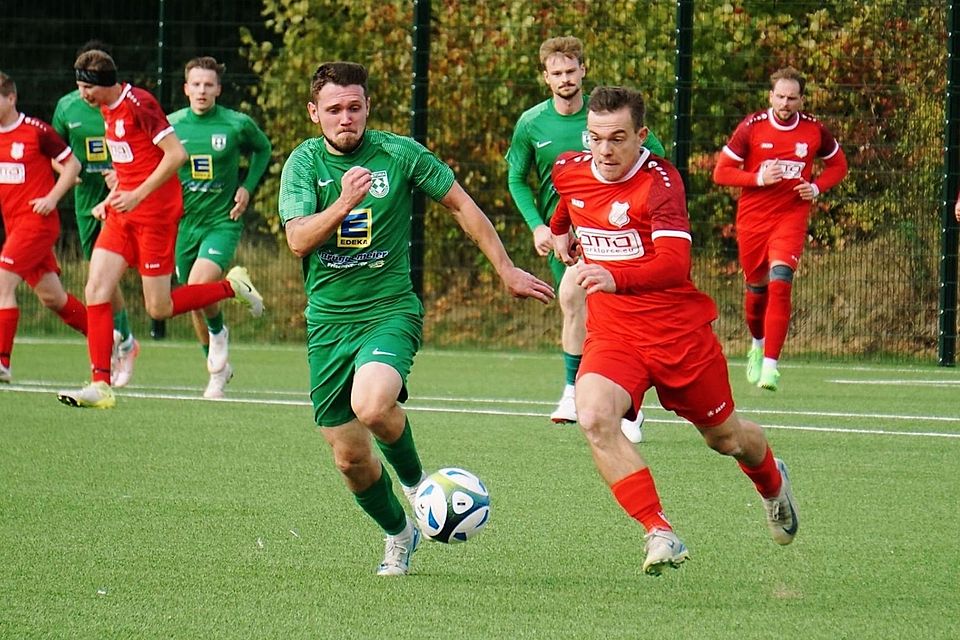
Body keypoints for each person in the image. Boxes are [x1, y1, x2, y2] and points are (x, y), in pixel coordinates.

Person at [278, 61, 554, 576]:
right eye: (334, 109)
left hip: (389, 311)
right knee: (350, 461)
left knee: (374, 403)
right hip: (327, 325)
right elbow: (297, 240)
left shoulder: (399, 154)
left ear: (368, 108)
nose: (346, 118)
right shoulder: (302, 164)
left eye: (354, 107)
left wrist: (507, 268)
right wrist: (343, 203)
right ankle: (399, 535)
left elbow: (461, 206)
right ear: (315, 112)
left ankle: (421, 490)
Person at [550, 85, 798, 576]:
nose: (605, 149)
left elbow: (674, 263)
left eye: (618, 138)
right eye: (596, 138)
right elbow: (569, 202)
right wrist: (560, 232)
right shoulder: (568, 168)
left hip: (677, 336)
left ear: (641, 136)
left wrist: (613, 276)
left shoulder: (660, 183)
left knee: (725, 438)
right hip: (615, 335)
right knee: (594, 416)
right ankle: (658, 530)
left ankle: (772, 482)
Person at [57, 49, 264, 409]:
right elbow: (130, 161)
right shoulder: (104, 109)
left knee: (159, 308)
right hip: (124, 213)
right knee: (96, 288)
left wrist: (137, 194)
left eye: (84, 87)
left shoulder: (140, 103)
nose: (81, 95)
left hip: (154, 215)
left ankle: (232, 286)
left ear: (102, 84)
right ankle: (100, 384)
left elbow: (175, 155)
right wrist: (116, 195)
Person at [505, 35, 664, 443]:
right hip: (568, 239)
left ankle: (620, 404)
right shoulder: (531, 123)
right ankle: (577, 392)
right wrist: (539, 226)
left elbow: (657, 162)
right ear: (546, 77)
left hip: (616, 230)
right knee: (577, 305)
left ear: (583, 70)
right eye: (556, 73)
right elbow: (516, 178)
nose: (565, 79)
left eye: (571, 70)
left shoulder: (607, 116)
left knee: (603, 308)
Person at [712, 66, 847, 391]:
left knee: (781, 282)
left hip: (791, 217)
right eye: (780, 97)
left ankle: (771, 367)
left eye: (792, 98)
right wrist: (758, 178)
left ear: (801, 100)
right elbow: (721, 172)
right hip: (754, 220)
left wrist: (815, 188)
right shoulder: (752, 128)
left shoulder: (814, 130)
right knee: (756, 291)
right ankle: (757, 345)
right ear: (771, 96)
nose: (785, 103)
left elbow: (839, 165)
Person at [168, 56, 272, 398]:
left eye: (208, 84)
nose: (201, 90)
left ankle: (222, 325)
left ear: (218, 89)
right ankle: (217, 370)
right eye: (195, 84)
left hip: (221, 222)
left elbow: (263, 149)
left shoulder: (235, 124)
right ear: (185, 89)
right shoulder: (171, 126)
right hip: (185, 224)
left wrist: (247, 186)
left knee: (199, 285)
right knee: (193, 298)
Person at [52, 40, 139, 388]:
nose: (85, 92)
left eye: (90, 84)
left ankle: (122, 341)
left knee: (120, 282)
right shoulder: (66, 108)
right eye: (81, 85)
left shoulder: (125, 106)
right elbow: (52, 151)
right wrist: (67, 175)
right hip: (88, 200)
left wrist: (124, 174)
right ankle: (124, 339)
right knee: (100, 279)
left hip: (128, 198)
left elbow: (148, 148)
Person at [0, 71, 87, 383]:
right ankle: (108, 336)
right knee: (53, 297)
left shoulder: (35, 131)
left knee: (2, 284)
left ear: (11, 98)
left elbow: (72, 164)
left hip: (37, 224)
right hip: (15, 227)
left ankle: (2, 362)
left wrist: (52, 197)